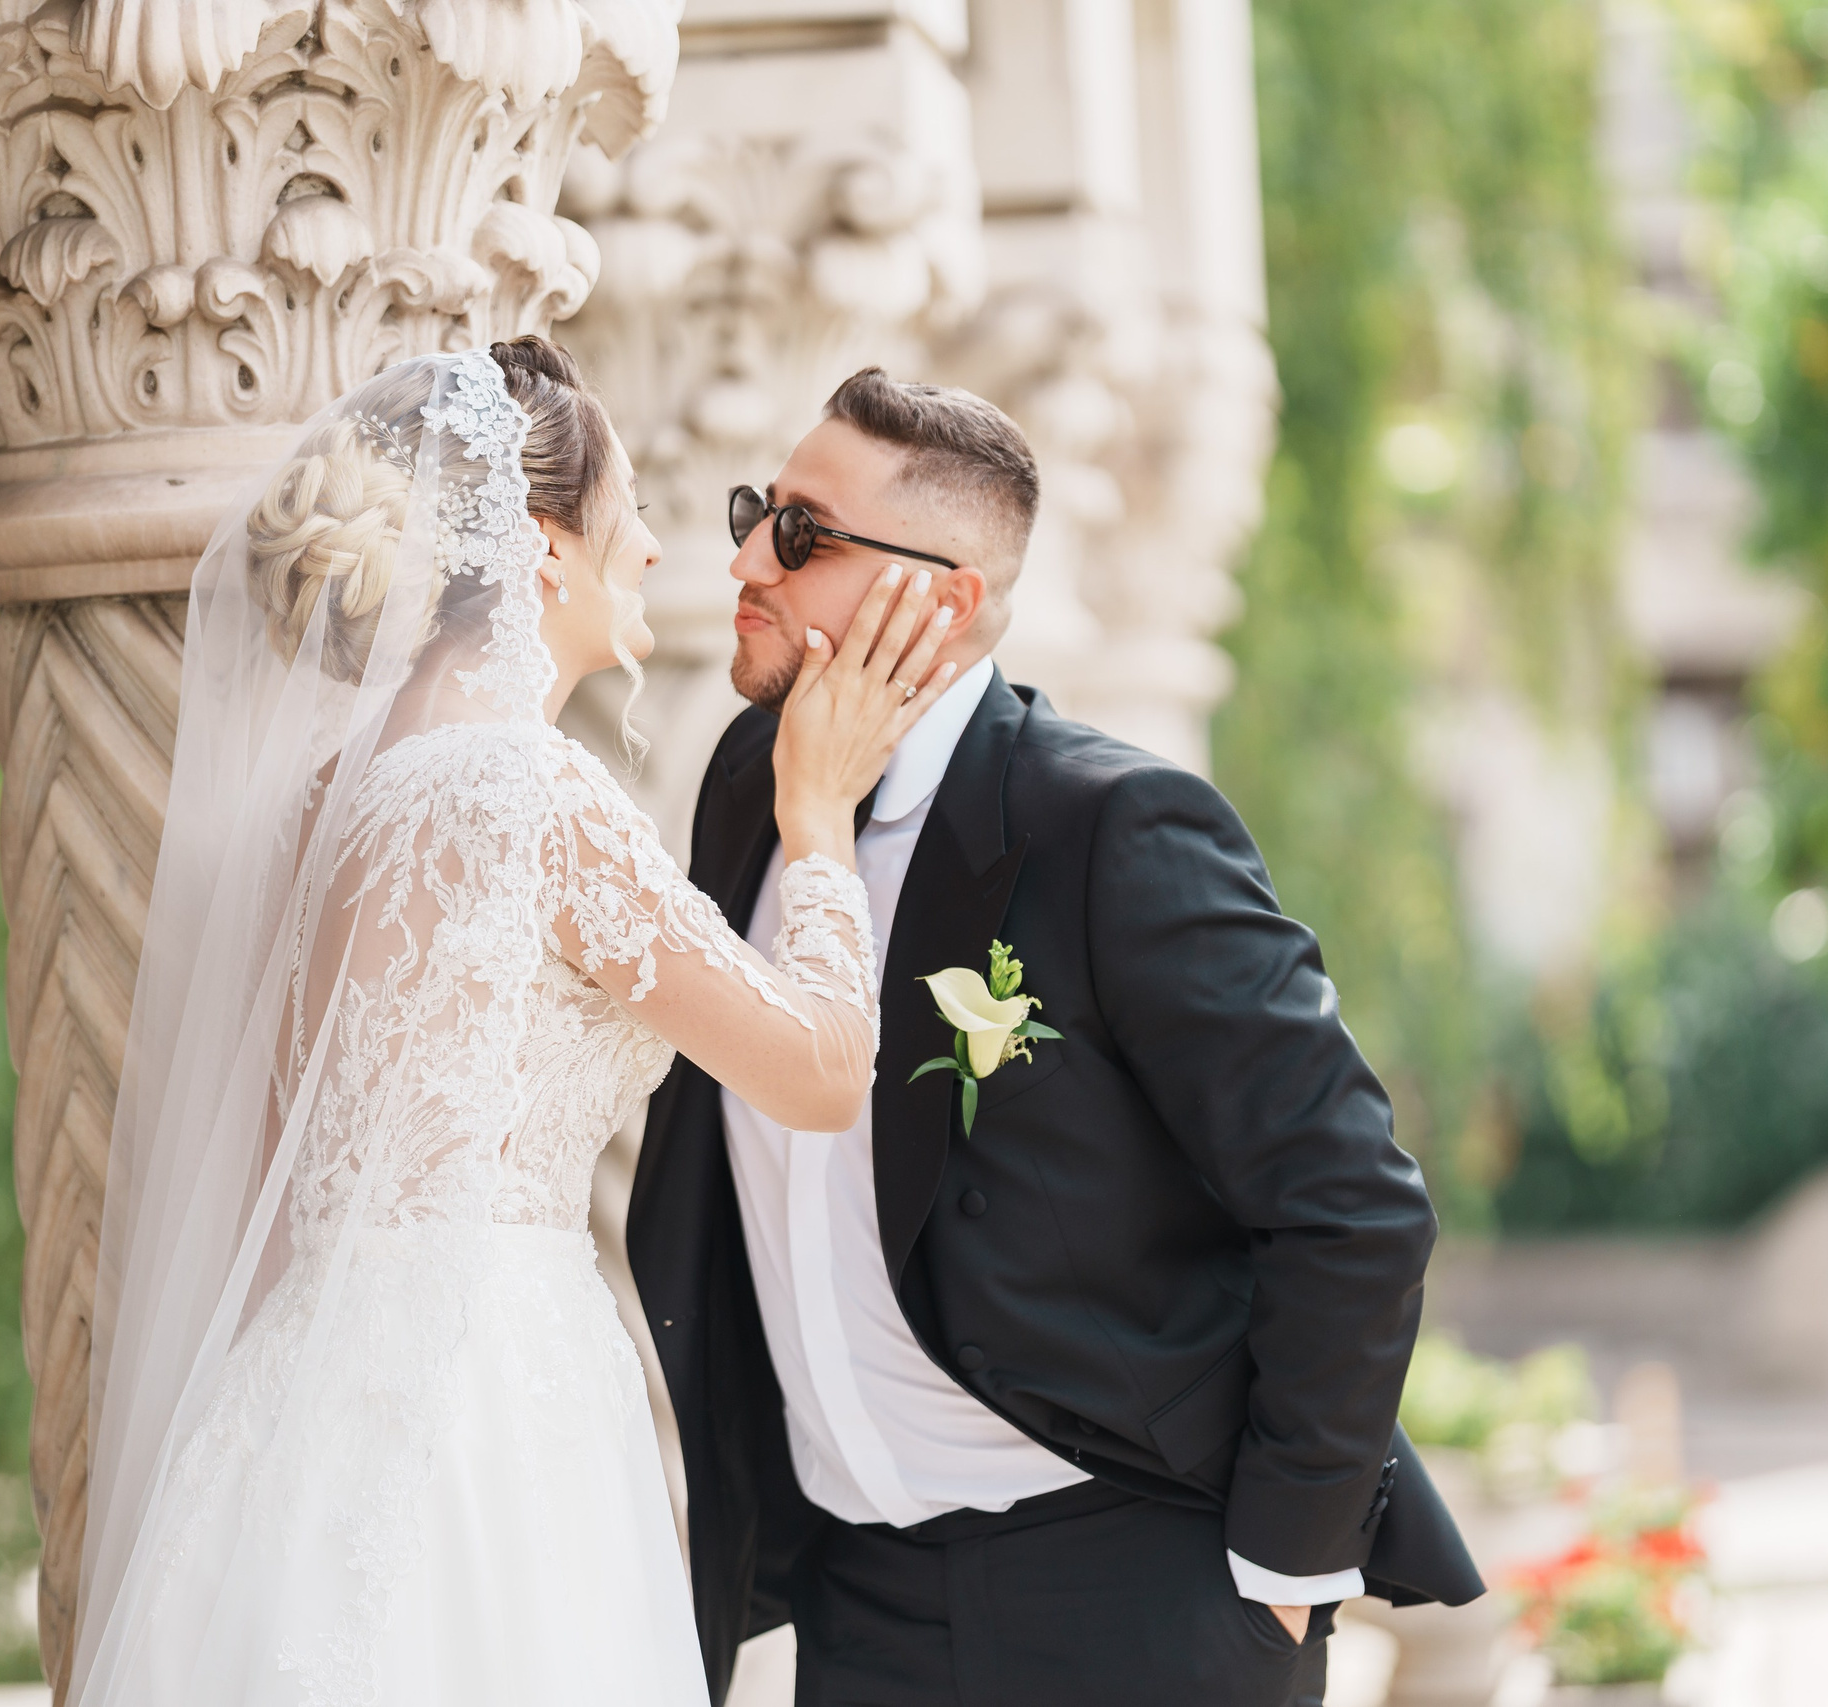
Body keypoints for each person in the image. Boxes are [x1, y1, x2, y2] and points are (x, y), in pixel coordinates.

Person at [63, 342, 959, 1707]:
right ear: (545, 549)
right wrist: (819, 818)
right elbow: (827, 1072)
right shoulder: (532, 795)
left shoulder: (322, 804)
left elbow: (265, 1169)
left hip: (297, 1399)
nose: (659, 550)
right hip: (486, 1400)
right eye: (633, 513)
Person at [629, 369, 1485, 1707]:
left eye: (801, 532)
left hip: (1139, 1593)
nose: (746, 558)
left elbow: (1351, 1204)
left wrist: (1282, 1571)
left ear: (944, 597)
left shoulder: (1113, 829)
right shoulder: (753, 792)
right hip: (858, 1607)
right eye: (757, 514)